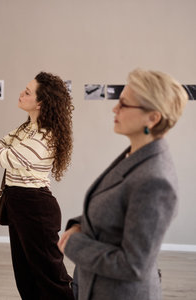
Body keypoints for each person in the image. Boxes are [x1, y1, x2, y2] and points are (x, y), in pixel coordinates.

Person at [58, 69, 188, 300]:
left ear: (153, 118)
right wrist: (78, 225)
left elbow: (133, 265)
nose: (114, 109)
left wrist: (75, 244)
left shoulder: (155, 180)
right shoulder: (135, 155)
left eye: (124, 104)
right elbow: (111, 209)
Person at [0, 71, 75, 299]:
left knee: (52, 280)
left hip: (36, 209)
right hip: (20, 206)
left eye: (27, 92)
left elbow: (4, 158)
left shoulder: (45, 137)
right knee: (26, 278)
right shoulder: (26, 128)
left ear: (41, 103)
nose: (21, 94)